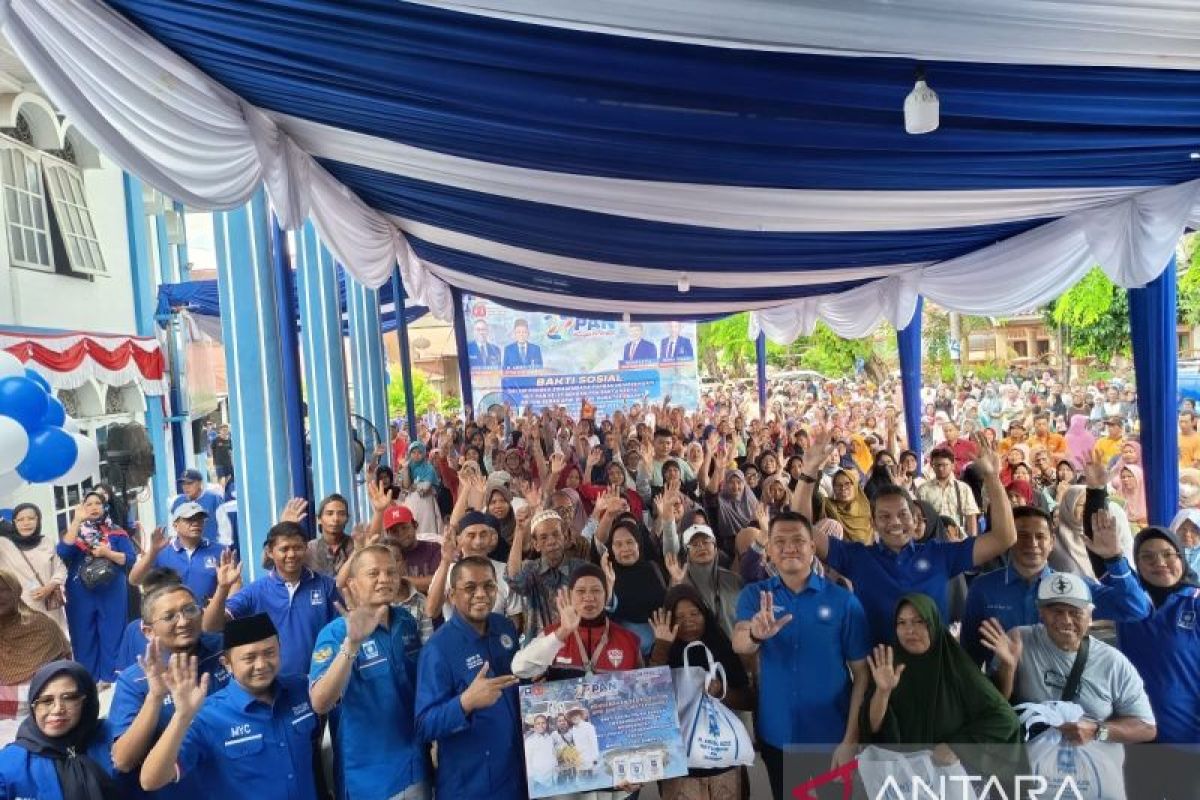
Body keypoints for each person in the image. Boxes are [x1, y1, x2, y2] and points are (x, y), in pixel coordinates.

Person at [795, 429, 1017, 644]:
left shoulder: (939, 555)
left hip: (934, 663)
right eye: (884, 516)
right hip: (881, 665)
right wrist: (808, 472)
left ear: (915, 520)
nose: (894, 522)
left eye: (902, 514)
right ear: (873, 523)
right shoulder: (858, 558)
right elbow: (801, 531)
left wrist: (992, 478)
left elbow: (1004, 538)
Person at [732, 511, 870, 800]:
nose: (789, 548)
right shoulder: (754, 596)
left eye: (798, 540)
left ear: (813, 547)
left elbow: (861, 674)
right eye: (779, 542)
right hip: (777, 734)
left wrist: (851, 738)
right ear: (769, 550)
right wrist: (756, 633)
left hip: (832, 735)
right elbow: (740, 643)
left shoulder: (843, 601)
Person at [983, 572, 1156, 772]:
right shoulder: (1020, 640)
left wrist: (1097, 731)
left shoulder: (1114, 663)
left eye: (1075, 612)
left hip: (1091, 773)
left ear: (1090, 616)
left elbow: (1146, 728)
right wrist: (1008, 667)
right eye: (1056, 611)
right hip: (1030, 769)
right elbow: (994, 708)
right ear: (1041, 612)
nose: (1065, 620)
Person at [138, 614, 322, 799]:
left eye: (270, 653)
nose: (261, 665)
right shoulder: (207, 716)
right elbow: (150, 780)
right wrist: (181, 717)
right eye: (249, 658)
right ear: (227, 664)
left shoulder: (301, 688)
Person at [861, 594, 1025, 787]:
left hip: (949, 779)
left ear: (933, 625)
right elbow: (872, 728)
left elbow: (1004, 718)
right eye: (902, 623)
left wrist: (958, 747)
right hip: (900, 780)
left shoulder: (956, 667)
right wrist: (883, 691)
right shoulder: (888, 666)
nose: (909, 630)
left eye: (919, 622)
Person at [961, 506, 1152, 666]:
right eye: (1023, 536)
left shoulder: (1073, 586)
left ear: (1052, 542)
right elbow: (969, 654)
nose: (1032, 543)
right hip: (1002, 692)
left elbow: (1136, 608)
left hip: (1061, 693)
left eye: (1040, 536)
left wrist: (1114, 558)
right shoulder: (983, 588)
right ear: (1010, 540)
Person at [309, 545, 429, 800]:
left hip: (416, 767)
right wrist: (352, 644)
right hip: (368, 780)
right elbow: (320, 702)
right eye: (374, 573)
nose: (385, 579)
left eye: (391, 572)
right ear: (352, 584)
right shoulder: (335, 633)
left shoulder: (406, 621)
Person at [415, 556, 524, 800]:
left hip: (515, 773)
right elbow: (424, 726)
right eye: (470, 587)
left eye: (489, 586)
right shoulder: (438, 649)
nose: (481, 594)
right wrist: (465, 702)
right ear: (452, 595)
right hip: (470, 784)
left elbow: (514, 682)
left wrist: (531, 684)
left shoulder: (504, 627)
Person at [108, 583, 230, 799]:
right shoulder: (134, 680)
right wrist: (155, 697)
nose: (183, 622)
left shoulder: (225, 650)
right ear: (148, 631)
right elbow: (123, 761)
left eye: (190, 610)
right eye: (169, 616)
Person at [1117, 527, 1200, 799]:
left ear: (1181, 557)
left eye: (1168, 554)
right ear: (1137, 564)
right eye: (1148, 557)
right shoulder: (1128, 603)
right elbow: (1105, 561)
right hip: (1137, 737)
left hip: (1188, 740)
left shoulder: (1195, 602)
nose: (1160, 563)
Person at [649, 583, 751, 800]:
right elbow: (648, 698)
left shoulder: (721, 647)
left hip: (723, 762)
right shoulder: (664, 651)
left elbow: (748, 699)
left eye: (694, 613)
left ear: (705, 614)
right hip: (680, 767)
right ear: (669, 620)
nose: (688, 621)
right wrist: (662, 646)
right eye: (679, 617)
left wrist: (722, 692)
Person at [202, 520, 342, 678]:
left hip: (319, 680)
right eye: (284, 549)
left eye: (297, 548)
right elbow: (210, 627)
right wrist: (222, 588)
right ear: (269, 552)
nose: (291, 554)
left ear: (306, 548)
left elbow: (341, 632)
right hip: (271, 683)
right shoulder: (255, 592)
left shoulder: (327, 586)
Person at [0, 660, 117, 800]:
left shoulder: (114, 740)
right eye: (46, 701)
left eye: (69, 698)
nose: (57, 709)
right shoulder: (10, 764)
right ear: (33, 707)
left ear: (86, 702)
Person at [57, 490, 136, 682]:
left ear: (104, 507)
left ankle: (112, 679)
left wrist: (107, 553)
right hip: (80, 592)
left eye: (98, 504)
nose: (94, 507)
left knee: (113, 634)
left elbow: (130, 558)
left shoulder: (117, 532)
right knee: (83, 635)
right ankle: (88, 680)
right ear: (82, 508)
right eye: (89, 504)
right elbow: (63, 552)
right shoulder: (75, 533)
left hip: (112, 589)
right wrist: (76, 521)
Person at [0, 569, 71, 746]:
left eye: (2, 589)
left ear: (16, 590)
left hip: (43, 722)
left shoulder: (42, 627)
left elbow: (62, 679)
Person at [507, 509, 589, 640]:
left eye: (556, 534)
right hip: (539, 643)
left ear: (565, 538)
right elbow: (514, 579)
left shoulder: (581, 569)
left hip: (576, 642)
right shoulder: (531, 569)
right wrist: (519, 532)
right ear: (536, 545)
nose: (551, 541)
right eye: (544, 537)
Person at [129, 503, 227, 607]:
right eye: (189, 519)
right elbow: (134, 580)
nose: (196, 523)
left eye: (200, 519)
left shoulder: (220, 551)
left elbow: (233, 584)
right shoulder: (161, 552)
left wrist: (225, 608)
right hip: (175, 614)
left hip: (210, 613)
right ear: (175, 525)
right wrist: (153, 551)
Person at [667, 524, 743, 638]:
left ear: (715, 549)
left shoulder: (734, 580)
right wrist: (677, 584)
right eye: (694, 544)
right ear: (687, 554)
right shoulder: (680, 581)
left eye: (706, 542)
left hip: (735, 645)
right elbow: (670, 617)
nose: (701, 547)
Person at [0, 503, 67, 633]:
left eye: (31, 518)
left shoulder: (47, 541)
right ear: (14, 523)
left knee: (56, 640)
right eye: (20, 519)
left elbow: (60, 568)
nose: (26, 523)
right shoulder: (4, 544)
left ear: (38, 520)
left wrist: (50, 587)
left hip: (49, 607)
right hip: (22, 610)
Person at [916, 447, 980, 535]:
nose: (941, 468)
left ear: (953, 465)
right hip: (933, 537)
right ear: (932, 466)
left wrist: (972, 539)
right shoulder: (923, 490)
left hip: (959, 537)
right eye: (937, 465)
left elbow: (971, 516)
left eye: (945, 465)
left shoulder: (963, 488)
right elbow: (919, 517)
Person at [400, 444, 444, 537]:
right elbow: (406, 486)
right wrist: (405, 469)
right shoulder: (407, 467)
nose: (416, 455)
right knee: (412, 528)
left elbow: (423, 491)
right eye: (413, 452)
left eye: (419, 452)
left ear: (424, 454)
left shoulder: (429, 468)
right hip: (411, 504)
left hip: (426, 504)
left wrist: (415, 486)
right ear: (409, 454)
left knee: (427, 530)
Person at [305, 494, 353, 577]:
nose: (336, 519)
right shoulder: (309, 549)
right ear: (319, 519)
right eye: (330, 513)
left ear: (347, 518)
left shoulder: (355, 546)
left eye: (341, 514)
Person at [169, 470, 223, 542]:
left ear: (200, 483)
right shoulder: (178, 502)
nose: (186, 487)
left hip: (210, 545)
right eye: (183, 484)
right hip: (186, 546)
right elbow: (173, 528)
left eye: (190, 483)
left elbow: (224, 525)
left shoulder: (214, 499)